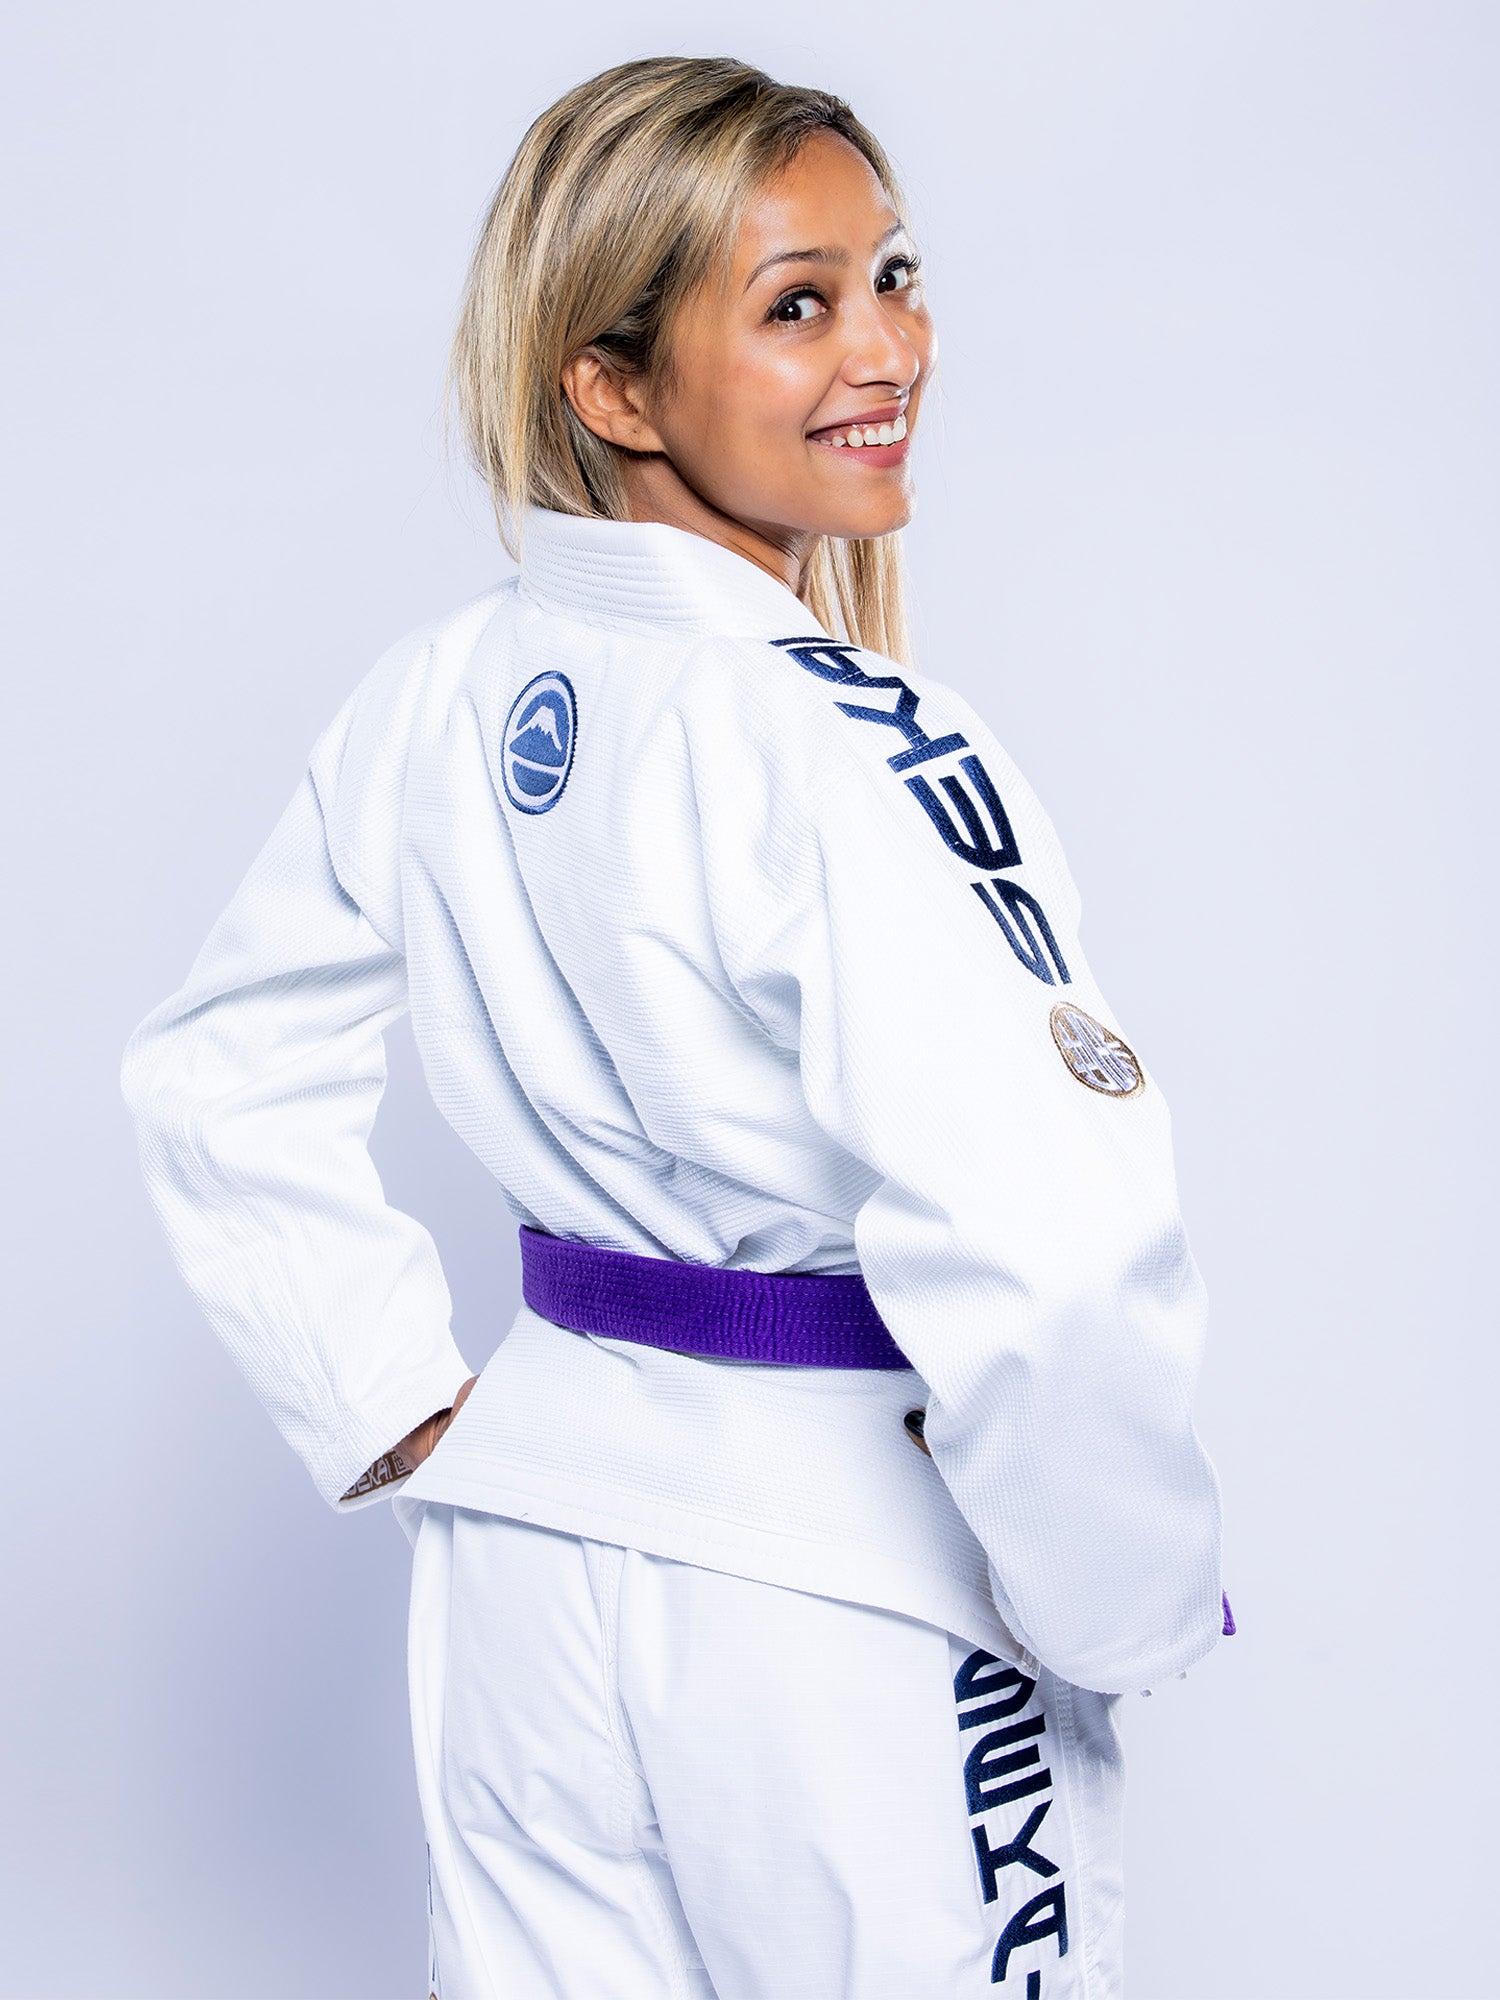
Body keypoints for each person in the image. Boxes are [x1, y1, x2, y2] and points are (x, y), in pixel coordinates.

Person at [119, 56, 1227, 2000]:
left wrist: (396, 1401)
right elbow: (1052, 1234)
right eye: (796, 304)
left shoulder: (444, 692)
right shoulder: (867, 741)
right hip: (850, 1583)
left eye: (893, 275)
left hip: (536, 1558)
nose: (888, 348)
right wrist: (1116, 1602)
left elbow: (216, 1071)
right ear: (612, 386)